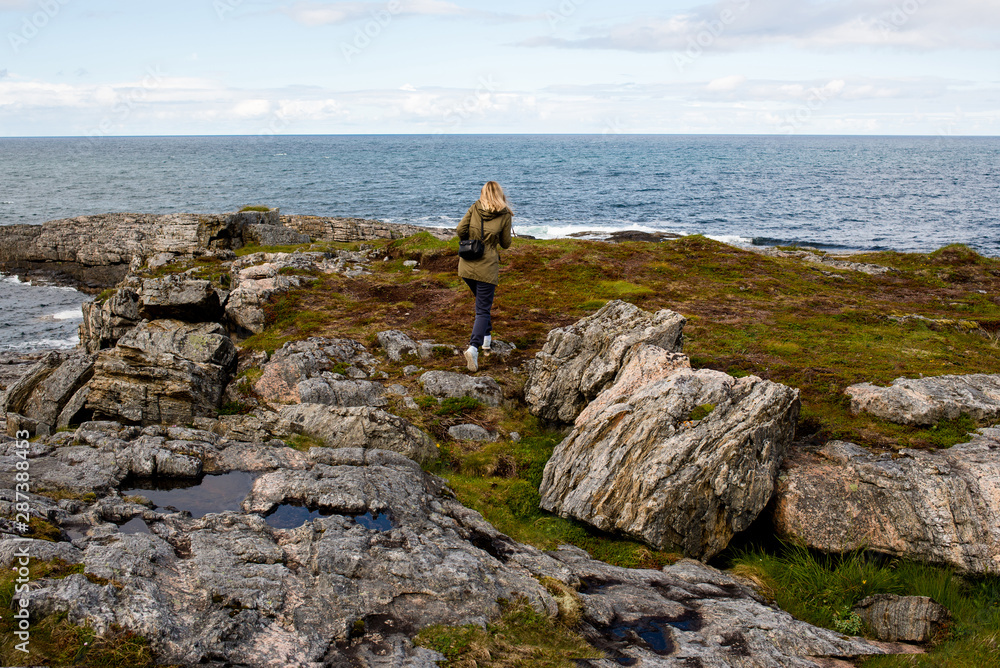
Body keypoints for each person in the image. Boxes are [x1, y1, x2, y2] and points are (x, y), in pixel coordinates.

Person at [456, 181, 513, 372]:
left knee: (482, 305)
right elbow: (505, 244)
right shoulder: (504, 214)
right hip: (487, 267)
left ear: (483, 193)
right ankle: (473, 348)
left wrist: (470, 240)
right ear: (499, 194)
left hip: (466, 266)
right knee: (482, 309)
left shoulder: (475, 207)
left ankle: (486, 339)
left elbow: (460, 230)